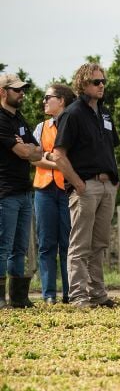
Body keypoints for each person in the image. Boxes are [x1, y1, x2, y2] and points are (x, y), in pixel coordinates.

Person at [48, 62, 119, 309]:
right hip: (86, 186)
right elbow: (59, 154)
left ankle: (97, 294)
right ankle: (78, 296)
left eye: (103, 81)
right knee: (80, 244)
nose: (102, 86)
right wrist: (78, 183)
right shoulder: (72, 113)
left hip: (107, 185)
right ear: (82, 83)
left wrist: (113, 182)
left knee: (99, 244)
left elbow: (111, 147)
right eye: (96, 82)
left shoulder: (105, 113)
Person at [0, 74, 41, 308]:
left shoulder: (20, 119)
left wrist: (26, 147)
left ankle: (17, 298)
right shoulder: (1, 119)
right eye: (16, 90)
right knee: (3, 246)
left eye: (22, 89)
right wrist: (27, 148)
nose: (21, 93)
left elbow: (38, 151)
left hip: (24, 191)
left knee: (19, 248)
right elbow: (26, 153)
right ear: (2, 92)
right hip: (5, 192)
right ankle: (0, 298)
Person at [32, 83, 75, 304]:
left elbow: (75, 159)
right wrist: (57, 162)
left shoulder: (73, 125)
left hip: (67, 190)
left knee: (68, 244)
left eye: (48, 97)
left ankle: (69, 293)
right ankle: (48, 294)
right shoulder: (40, 128)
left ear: (62, 100)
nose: (44, 101)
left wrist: (47, 156)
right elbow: (33, 157)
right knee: (46, 244)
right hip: (44, 191)